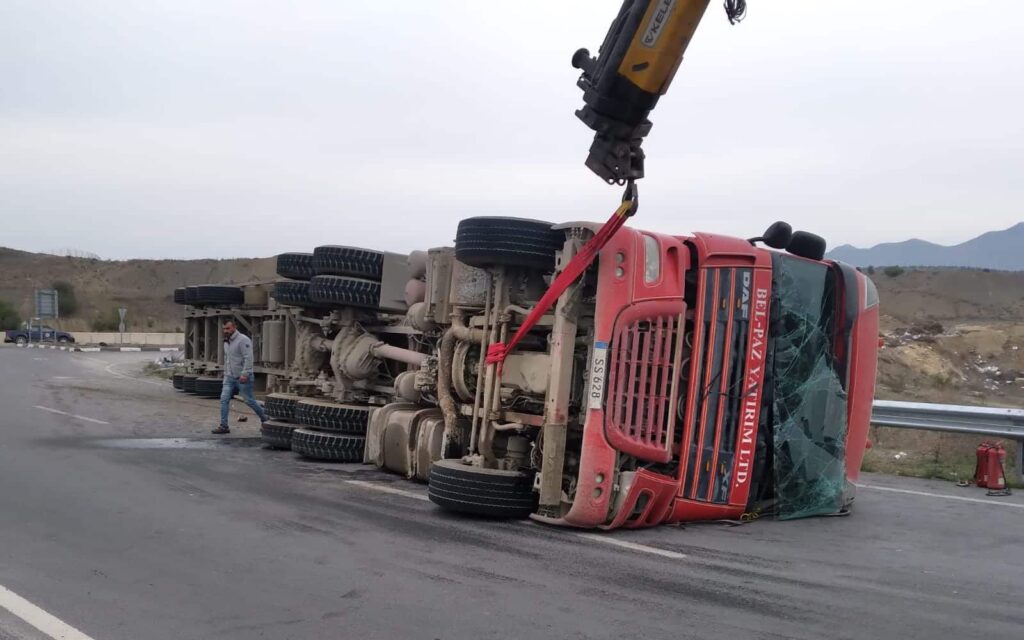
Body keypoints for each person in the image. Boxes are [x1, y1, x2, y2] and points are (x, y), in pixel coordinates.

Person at [212, 320, 268, 434]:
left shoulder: (243, 340)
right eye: (224, 329)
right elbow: (227, 359)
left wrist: (245, 374)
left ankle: (266, 420)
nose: (225, 331)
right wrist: (226, 373)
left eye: (228, 328)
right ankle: (224, 426)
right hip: (229, 377)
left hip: (243, 377)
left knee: (249, 401)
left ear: (234, 327)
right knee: (224, 400)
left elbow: (248, 358)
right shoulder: (226, 342)